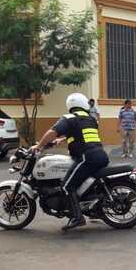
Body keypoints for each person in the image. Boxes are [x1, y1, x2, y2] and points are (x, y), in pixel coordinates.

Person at [31, 93, 109, 231]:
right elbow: (79, 133)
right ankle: (92, 209)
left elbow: (52, 132)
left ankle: (77, 217)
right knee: (79, 182)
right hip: (100, 155)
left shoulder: (68, 118)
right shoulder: (90, 119)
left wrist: (39, 146)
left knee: (67, 186)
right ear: (84, 104)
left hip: (86, 157)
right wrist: (61, 140)